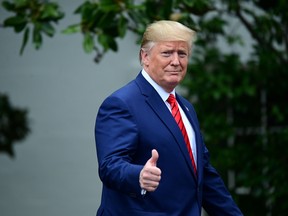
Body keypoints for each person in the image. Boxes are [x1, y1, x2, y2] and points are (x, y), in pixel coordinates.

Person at [94, 20, 243, 216]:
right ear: (145, 57)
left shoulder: (186, 108)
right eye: (167, 53)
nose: (176, 61)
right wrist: (138, 175)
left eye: (182, 54)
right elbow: (110, 165)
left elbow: (202, 175)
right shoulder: (121, 103)